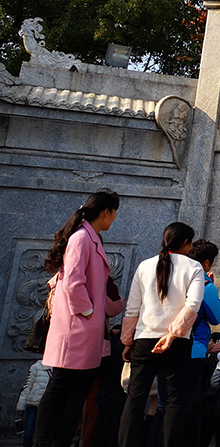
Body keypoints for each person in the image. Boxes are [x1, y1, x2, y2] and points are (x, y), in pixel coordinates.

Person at [34, 188, 123, 447]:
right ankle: (42, 441)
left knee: (76, 390)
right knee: (61, 386)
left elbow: (92, 285)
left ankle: (60, 440)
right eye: (114, 213)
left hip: (85, 327)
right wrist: (89, 312)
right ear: (106, 211)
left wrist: (112, 307)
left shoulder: (89, 236)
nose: (115, 219)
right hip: (76, 328)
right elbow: (73, 281)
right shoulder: (82, 238)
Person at [118, 221, 205, 447]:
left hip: (144, 341)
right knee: (174, 402)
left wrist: (127, 342)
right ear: (186, 243)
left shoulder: (145, 266)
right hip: (176, 344)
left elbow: (132, 309)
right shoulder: (194, 267)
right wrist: (173, 334)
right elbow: (193, 305)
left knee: (135, 400)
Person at [185, 240, 220, 446]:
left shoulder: (174, 277)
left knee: (167, 407)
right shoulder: (204, 285)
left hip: (168, 348)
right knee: (193, 406)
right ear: (207, 263)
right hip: (195, 351)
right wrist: (212, 287)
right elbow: (217, 317)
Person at [17, 358, 52, 447]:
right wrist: (20, 406)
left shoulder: (57, 370)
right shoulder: (36, 367)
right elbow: (27, 387)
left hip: (49, 406)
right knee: (29, 432)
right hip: (33, 404)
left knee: (45, 433)